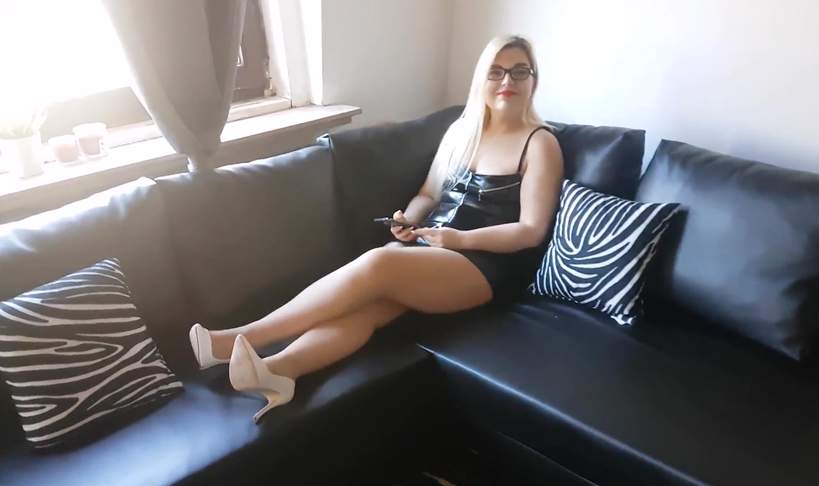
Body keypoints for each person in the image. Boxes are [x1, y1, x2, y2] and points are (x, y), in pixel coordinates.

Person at [189, 34, 564, 423]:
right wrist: (409, 220)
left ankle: (241, 338)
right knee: (369, 308)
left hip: (488, 265)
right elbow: (428, 194)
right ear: (481, 79)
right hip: (435, 247)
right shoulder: (462, 132)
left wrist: (459, 239)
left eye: (519, 71)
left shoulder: (539, 143)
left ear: (533, 79)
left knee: (378, 264)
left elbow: (531, 230)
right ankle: (281, 371)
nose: (507, 81)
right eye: (496, 72)